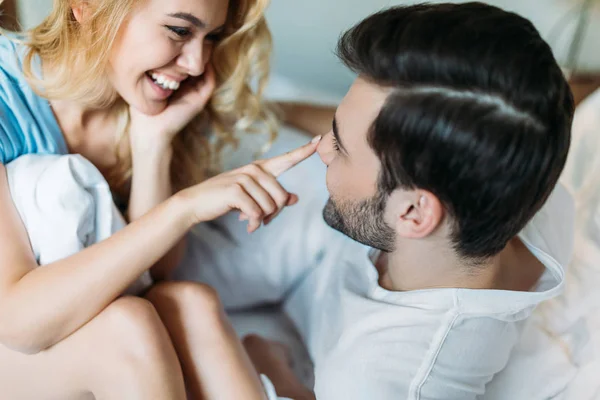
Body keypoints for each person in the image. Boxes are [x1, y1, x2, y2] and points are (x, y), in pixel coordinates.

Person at [175, 2, 576, 399]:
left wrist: (275, 371)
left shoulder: (380, 378)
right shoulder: (519, 171)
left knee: (171, 297)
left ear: (414, 213)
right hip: (322, 259)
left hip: (280, 260)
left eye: (341, 148)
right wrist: (265, 110)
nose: (323, 150)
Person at [0, 0, 320, 398]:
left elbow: (156, 273)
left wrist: (154, 143)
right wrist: (183, 208)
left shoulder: (147, 96)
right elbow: (17, 319)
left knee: (190, 303)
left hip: (61, 327)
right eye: (180, 31)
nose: (197, 64)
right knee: (128, 328)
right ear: (88, 7)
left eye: (212, 37)